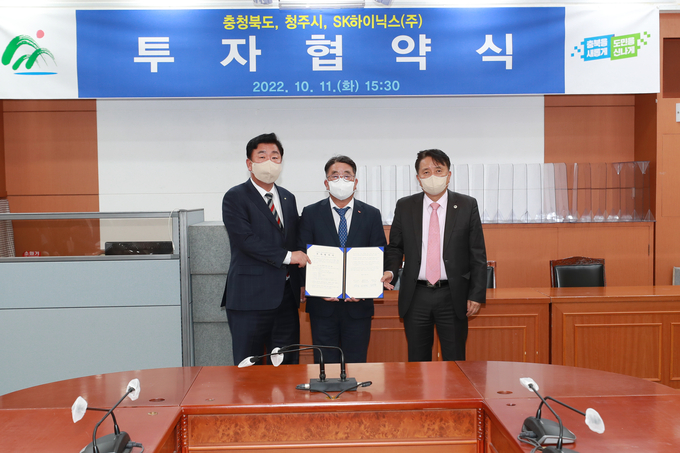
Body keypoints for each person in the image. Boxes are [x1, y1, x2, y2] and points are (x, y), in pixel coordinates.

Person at [381, 149, 487, 361]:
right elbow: (395, 247)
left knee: (455, 361)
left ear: (449, 175)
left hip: (453, 295)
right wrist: (390, 271)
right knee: (417, 361)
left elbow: (477, 253)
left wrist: (476, 294)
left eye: (438, 170)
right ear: (418, 178)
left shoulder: (467, 205)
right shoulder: (405, 206)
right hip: (416, 295)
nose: (433, 176)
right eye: (426, 172)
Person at [221, 132, 310, 365]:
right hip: (249, 298)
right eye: (262, 156)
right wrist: (288, 257)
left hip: (286, 298)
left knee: (286, 367)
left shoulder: (288, 198)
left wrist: (301, 281)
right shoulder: (235, 196)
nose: (269, 161)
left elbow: (294, 241)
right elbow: (245, 240)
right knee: (248, 366)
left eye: (275, 156)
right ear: (249, 163)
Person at [299, 155, 386, 363]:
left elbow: (380, 254)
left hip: (358, 305)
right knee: (325, 364)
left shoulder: (371, 214)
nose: (341, 180)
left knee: (356, 363)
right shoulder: (310, 213)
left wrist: (365, 289)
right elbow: (302, 253)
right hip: (322, 305)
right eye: (335, 176)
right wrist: (313, 287)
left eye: (347, 176)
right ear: (326, 182)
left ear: (355, 182)